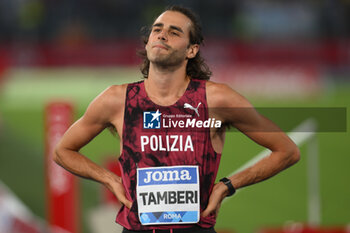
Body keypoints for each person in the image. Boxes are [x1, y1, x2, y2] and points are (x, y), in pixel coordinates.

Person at [54, 5, 300, 233]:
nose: (161, 35)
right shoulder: (116, 100)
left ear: (191, 50)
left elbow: (286, 151)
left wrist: (227, 186)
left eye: (174, 32)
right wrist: (110, 180)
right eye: (157, 30)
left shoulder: (217, 100)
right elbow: (63, 151)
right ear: (148, 40)